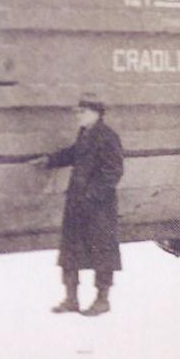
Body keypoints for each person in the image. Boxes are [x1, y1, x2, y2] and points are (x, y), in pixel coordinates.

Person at [31, 92, 124, 316]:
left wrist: (91, 197)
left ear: (96, 113)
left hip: (98, 207)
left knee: (102, 253)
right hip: (77, 203)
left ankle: (102, 300)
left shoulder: (108, 136)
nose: (78, 116)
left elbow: (113, 172)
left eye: (82, 112)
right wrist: (50, 160)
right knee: (71, 251)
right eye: (78, 112)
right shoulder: (85, 133)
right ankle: (71, 299)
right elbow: (75, 153)